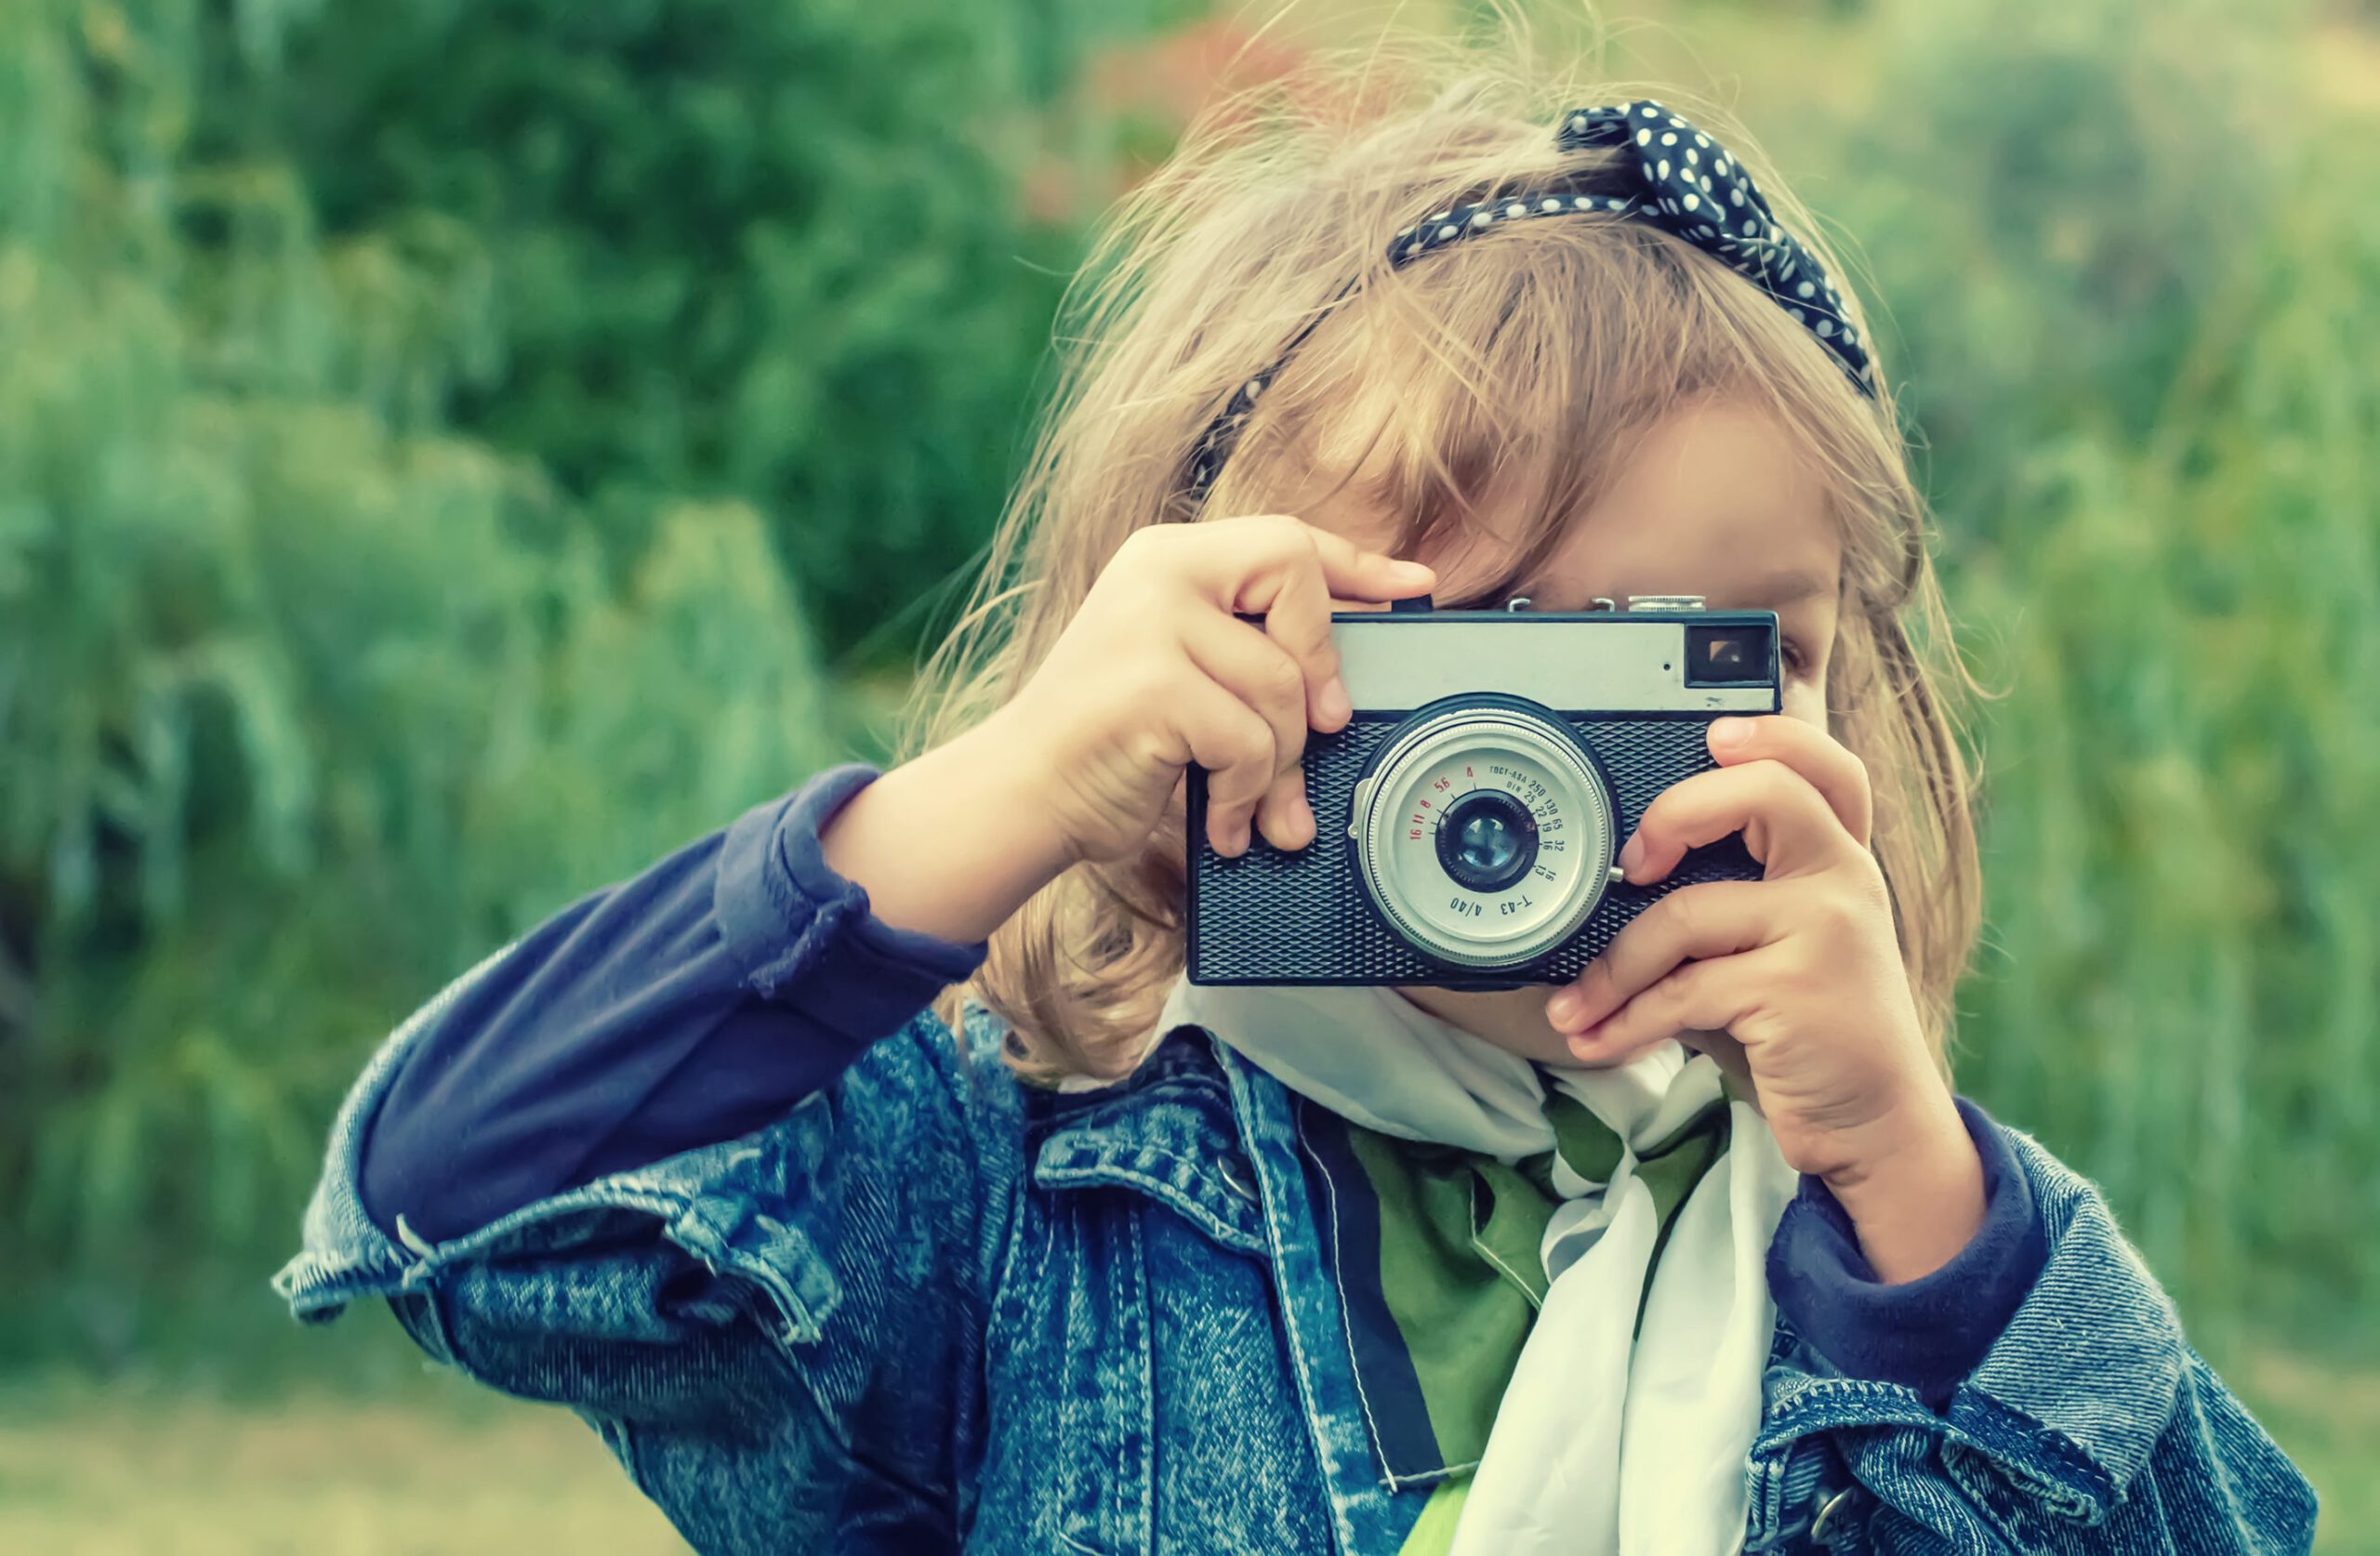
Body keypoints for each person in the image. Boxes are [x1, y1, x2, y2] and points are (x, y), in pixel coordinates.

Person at [275, 48, 2316, 1556]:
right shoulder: (1009, 1199)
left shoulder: (1896, 1231)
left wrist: (1922, 1206)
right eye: (1480, 666)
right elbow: (445, 1200)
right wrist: (1000, 796)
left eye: (1721, 655)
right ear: (1210, 644)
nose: (1560, 778)